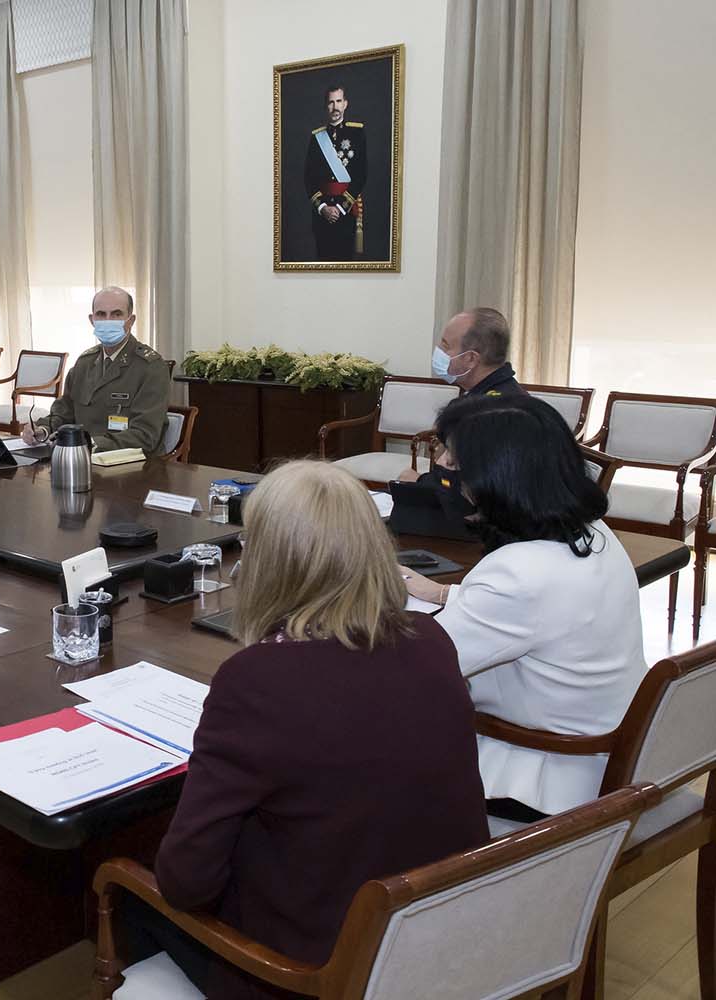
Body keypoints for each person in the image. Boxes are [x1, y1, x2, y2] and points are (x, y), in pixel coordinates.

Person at [135, 460, 488, 997]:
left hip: (316, 971)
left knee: (129, 899)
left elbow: (187, 883)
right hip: (436, 936)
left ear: (268, 563)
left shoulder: (256, 682)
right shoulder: (432, 641)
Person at [401, 394, 646, 820]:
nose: (443, 467)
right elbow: (545, 616)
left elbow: (415, 669)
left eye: (455, 464)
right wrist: (445, 595)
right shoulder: (593, 533)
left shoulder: (517, 574)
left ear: (497, 478)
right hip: (607, 751)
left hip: (543, 778)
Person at [20, 287, 170, 455]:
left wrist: (91, 444)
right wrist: (43, 429)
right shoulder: (85, 363)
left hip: (132, 465)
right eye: (101, 314)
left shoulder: (151, 367)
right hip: (83, 458)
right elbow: (64, 413)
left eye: (116, 314)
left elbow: (145, 435)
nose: (108, 320)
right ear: (92, 320)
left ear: (131, 320)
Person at [399, 306, 524, 482]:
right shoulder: (501, 393)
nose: (438, 351)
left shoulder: (486, 412)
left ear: (471, 358)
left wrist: (418, 483)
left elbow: (461, 488)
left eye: (445, 346)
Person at [303, 83, 368, 261]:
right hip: (321, 215)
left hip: (346, 213)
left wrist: (340, 208)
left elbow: (361, 174)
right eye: (331, 102)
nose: (335, 106)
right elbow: (308, 178)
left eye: (338, 101)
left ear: (345, 103)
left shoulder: (357, 133)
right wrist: (322, 207)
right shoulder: (317, 138)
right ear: (326, 106)